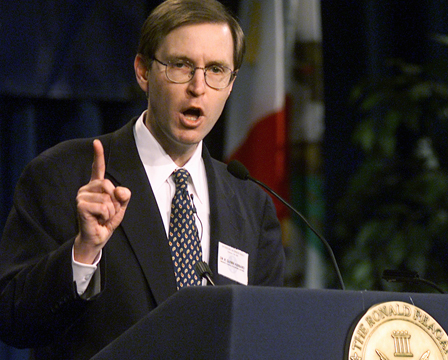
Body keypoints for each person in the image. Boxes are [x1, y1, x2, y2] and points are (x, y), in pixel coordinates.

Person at [0, 0, 285, 358]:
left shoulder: (250, 204)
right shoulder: (62, 175)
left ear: (230, 84)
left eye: (215, 70)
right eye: (181, 66)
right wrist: (83, 252)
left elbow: (268, 336)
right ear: (143, 72)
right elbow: (12, 318)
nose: (198, 87)